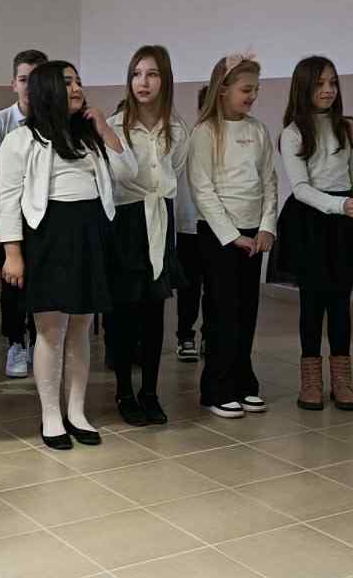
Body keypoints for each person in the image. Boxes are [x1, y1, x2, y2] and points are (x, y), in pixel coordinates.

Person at [0, 61, 135, 448]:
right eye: (67, 82)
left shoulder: (90, 136)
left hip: (91, 233)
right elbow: (6, 200)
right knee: (51, 330)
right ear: (47, 91)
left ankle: (76, 411)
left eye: (78, 82)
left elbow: (128, 173)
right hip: (49, 236)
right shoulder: (21, 140)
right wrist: (12, 253)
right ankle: (50, 415)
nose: (76, 88)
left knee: (81, 328)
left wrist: (104, 128)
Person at [278, 55, 353, 413]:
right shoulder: (292, 133)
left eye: (333, 83)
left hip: (344, 223)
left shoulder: (348, 129)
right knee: (311, 304)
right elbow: (301, 188)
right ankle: (310, 381)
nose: (328, 90)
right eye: (320, 83)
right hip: (310, 223)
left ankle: (342, 380)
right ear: (303, 87)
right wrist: (339, 206)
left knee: (339, 304)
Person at [187, 52, 278, 420]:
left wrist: (267, 226)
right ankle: (217, 387)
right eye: (245, 90)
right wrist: (231, 235)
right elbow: (202, 189)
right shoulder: (205, 132)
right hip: (219, 234)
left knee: (247, 310)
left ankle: (244, 381)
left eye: (255, 90)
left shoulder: (258, 130)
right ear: (223, 90)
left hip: (253, 235)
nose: (252, 96)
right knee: (222, 311)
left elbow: (269, 180)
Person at [108, 46, 189, 426]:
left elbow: (176, 172)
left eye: (152, 74)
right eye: (137, 74)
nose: (143, 82)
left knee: (155, 310)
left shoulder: (178, 129)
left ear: (165, 80)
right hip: (125, 220)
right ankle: (124, 390)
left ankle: (151, 392)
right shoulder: (115, 125)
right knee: (124, 312)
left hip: (160, 217)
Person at [0, 48, 48, 377]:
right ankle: (15, 343)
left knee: (42, 280)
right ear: (13, 83)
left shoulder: (53, 121)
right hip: (10, 214)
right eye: (23, 80)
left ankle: (39, 340)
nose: (29, 87)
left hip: (44, 215)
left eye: (36, 80)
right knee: (12, 282)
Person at [172, 86, 207, 363]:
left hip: (221, 226)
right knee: (189, 286)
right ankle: (185, 336)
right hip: (189, 224)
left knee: (217, 287)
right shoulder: (188, 137)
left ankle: (210, 334)